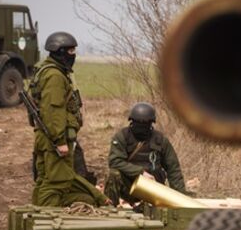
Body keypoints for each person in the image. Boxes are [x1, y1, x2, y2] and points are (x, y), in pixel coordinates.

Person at [29, 31, 109, 207]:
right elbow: (53, 110)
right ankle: (46, 222)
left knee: (45, 180)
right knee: (55, 183)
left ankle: (35, 216)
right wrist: (59, 141)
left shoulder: (49, 71)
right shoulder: (55, 76)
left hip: (46, 137)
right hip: (53, 139)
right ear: (59, 51)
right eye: (70, 51)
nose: (74, 55)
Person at [104, 102, 186, 207]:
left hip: (153, 190)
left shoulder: (160, 141)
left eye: (145, 124)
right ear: (132, 122)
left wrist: (181, 198)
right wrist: (141, 172)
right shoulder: (122, 137)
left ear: (151, 123)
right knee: (113, 174)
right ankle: (109, 209)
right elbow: (114, 161)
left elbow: (173, 169)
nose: (141, 127)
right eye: (138, 123)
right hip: (130, 187)